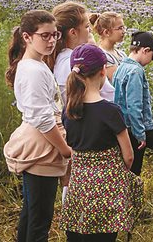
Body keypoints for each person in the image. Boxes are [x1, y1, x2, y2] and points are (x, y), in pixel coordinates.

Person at [59, 44, 142, 241]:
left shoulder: (68, 111)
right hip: (107, 191)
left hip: (78, 189)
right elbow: (129, 156)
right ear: (103, 71)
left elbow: (72, 147)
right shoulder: (111, 111)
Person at [3, 10, 71, 241]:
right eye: (45, 36)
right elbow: (42, 118)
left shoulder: (36, 64)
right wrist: (64, 149)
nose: (52, 40)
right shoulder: (32, 69)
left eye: (55, 35)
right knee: (40, 219)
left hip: (43, 142)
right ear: (27, 37)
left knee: (32, 213)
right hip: (42, 147)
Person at [113, 31, 153, 204]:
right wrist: (140, 133)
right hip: (140, 127)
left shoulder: (122, 66)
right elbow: (134, 105)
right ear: (145, 50)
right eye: (152, 56)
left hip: (125, 126)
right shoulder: (135, 71)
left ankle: (130, 205)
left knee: (134, 167)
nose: (150, 62)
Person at [46, 1, 91, 105]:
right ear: (73, 32)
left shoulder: (62, 57)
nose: (90, 30)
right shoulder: (71, 61)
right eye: (87, 26)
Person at [89, 12, 127, 101]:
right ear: (107, 32)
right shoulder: (102, 55)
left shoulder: (121, 54)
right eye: (120, 28)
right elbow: (121, 80)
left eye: (124, 27)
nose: (124, 31)